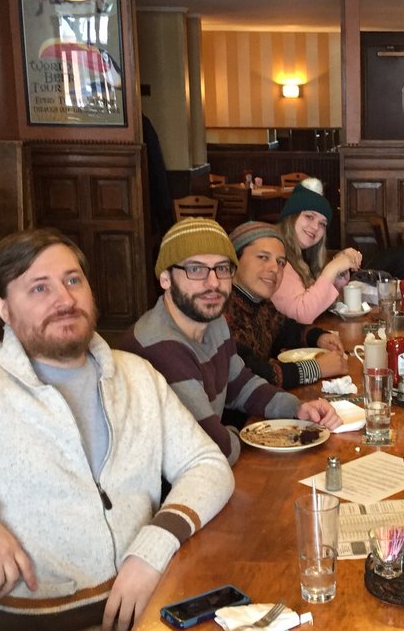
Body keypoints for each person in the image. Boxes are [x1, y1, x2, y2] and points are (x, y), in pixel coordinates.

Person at [0, 228, 233, 631]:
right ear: (3, 309)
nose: (64, 298)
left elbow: (208, 464)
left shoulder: (135, 375)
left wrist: (151, 550)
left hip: (151, 624)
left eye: (73, 280)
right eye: (39, 287)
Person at [120, 218, 340, 465]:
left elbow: (240, 384)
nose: (213, 282)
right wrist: (243, 435)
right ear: (166, 279)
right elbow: (214, 449)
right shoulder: (160, 346)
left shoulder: (213, 323)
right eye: (196, 269)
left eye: (222, 268)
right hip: (169, 492)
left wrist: (296, 409)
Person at [226, 222, 348, 388]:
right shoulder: (221, 310)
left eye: (281, 262)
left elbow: (284, 329)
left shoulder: (260, 303)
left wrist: (319, 337)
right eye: (263, 257)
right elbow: (248, 374)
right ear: (235, 260)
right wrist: (316, 368)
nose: (275, 268)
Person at [272, 179, 362, 325]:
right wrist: (333, 268)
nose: (315, 227)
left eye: (322, 223)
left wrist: (337, 276)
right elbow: (303, 314)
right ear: (291, 217)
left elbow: (317, 304)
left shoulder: (302, 256)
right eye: (309, 217)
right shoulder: (277, 257)